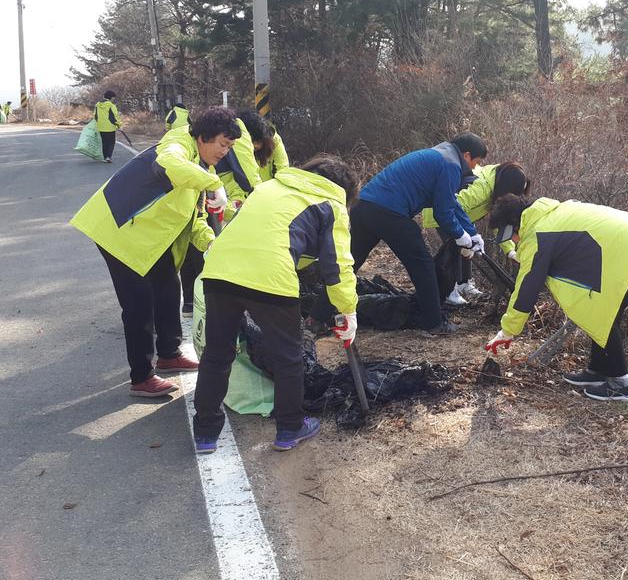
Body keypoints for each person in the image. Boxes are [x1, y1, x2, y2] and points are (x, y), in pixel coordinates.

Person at [192, 154, 360, 454]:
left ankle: (205, 433)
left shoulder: (268, 187)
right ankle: (290, 428)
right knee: (289, 356)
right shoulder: (332, 205)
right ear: (345, 190)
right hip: (270, 275)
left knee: (217, 354)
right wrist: (348, 310)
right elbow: (338, 266)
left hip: (219, 270)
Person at [70, 107, 240, 398]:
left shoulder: (202, 167)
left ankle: (169, 353)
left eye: (231, 147)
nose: (225, 152)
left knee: (168, 288)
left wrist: (211, 243)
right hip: (118, 230)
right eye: (223, 144)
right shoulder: (177, 145)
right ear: (204, 136)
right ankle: (141, 377)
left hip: (148, 238)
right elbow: (169, 162)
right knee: (138, 304)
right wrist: (214, 185)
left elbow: (195, 218)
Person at [483, 195, 628, 401]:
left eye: (509, 235)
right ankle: (598, 370)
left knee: (604, 313)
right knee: (600, 310)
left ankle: (621, 384)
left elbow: (527, 289)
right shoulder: (545, 217)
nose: (513, 241)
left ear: (516, 225)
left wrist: (507, 331)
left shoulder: (538, 234)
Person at [336, 134, 488, 334]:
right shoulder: (451, 164)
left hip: (363, 206)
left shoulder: (439, 156)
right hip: (389, 212)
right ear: (467, 155)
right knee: (422, 265)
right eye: (476, 162)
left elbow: (451, 203)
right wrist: (460, 236)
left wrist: (472, 233)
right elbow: (443, 213)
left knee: (349, 264)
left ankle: (319, 316)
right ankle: (434, 323)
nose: (474, 168)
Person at [422, 162, 529, 305]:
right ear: (506, 187)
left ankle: (464, 284)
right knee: (454, 248)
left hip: (463, 214)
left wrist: (510, 251)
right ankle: (449, 291)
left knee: (468, 243)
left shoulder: (497, 182)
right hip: (442, 212)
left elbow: (500, 221)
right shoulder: (482, 188)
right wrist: (461, 234)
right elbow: (452, 205)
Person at [94, 90, 122, 163]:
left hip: (100, 127)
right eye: (113, 98)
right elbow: (115, 116)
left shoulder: (97, 105)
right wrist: (119, 125)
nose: (114, 99)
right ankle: (108, 157)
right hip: (110, 127)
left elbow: (95, 116)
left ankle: (105, 157)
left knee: (104, 142)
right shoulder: (111, 106)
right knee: (111, 142)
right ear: (111, 97)